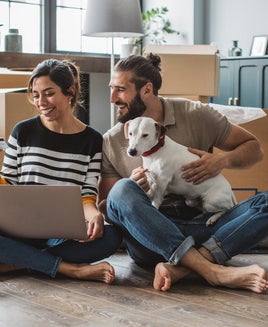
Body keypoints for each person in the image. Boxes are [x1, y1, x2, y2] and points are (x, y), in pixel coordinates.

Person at [98, 53, 268, 293]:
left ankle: (184, 267)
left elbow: (254, 149)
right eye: (111, 89)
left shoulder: (195, 114)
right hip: (152, 236)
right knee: (122, 190)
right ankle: (212, 270)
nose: (112, 98)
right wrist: (133, 189)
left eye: (120, 90)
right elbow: (107, 206)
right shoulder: (113, 140)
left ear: (147, 89)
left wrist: (221, 160)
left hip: (205, 223)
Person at [0, 59, 122, 283]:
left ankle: (18, 262)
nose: (41, 102)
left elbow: (87, 195)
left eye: (48, 93)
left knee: (112, 237)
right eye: (36, 95)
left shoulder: (92, 140)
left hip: (60, 236)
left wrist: (94, 214)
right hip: (17, 229)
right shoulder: (22, 131)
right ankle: (69, 269)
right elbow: (7, 184)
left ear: (70, 92)